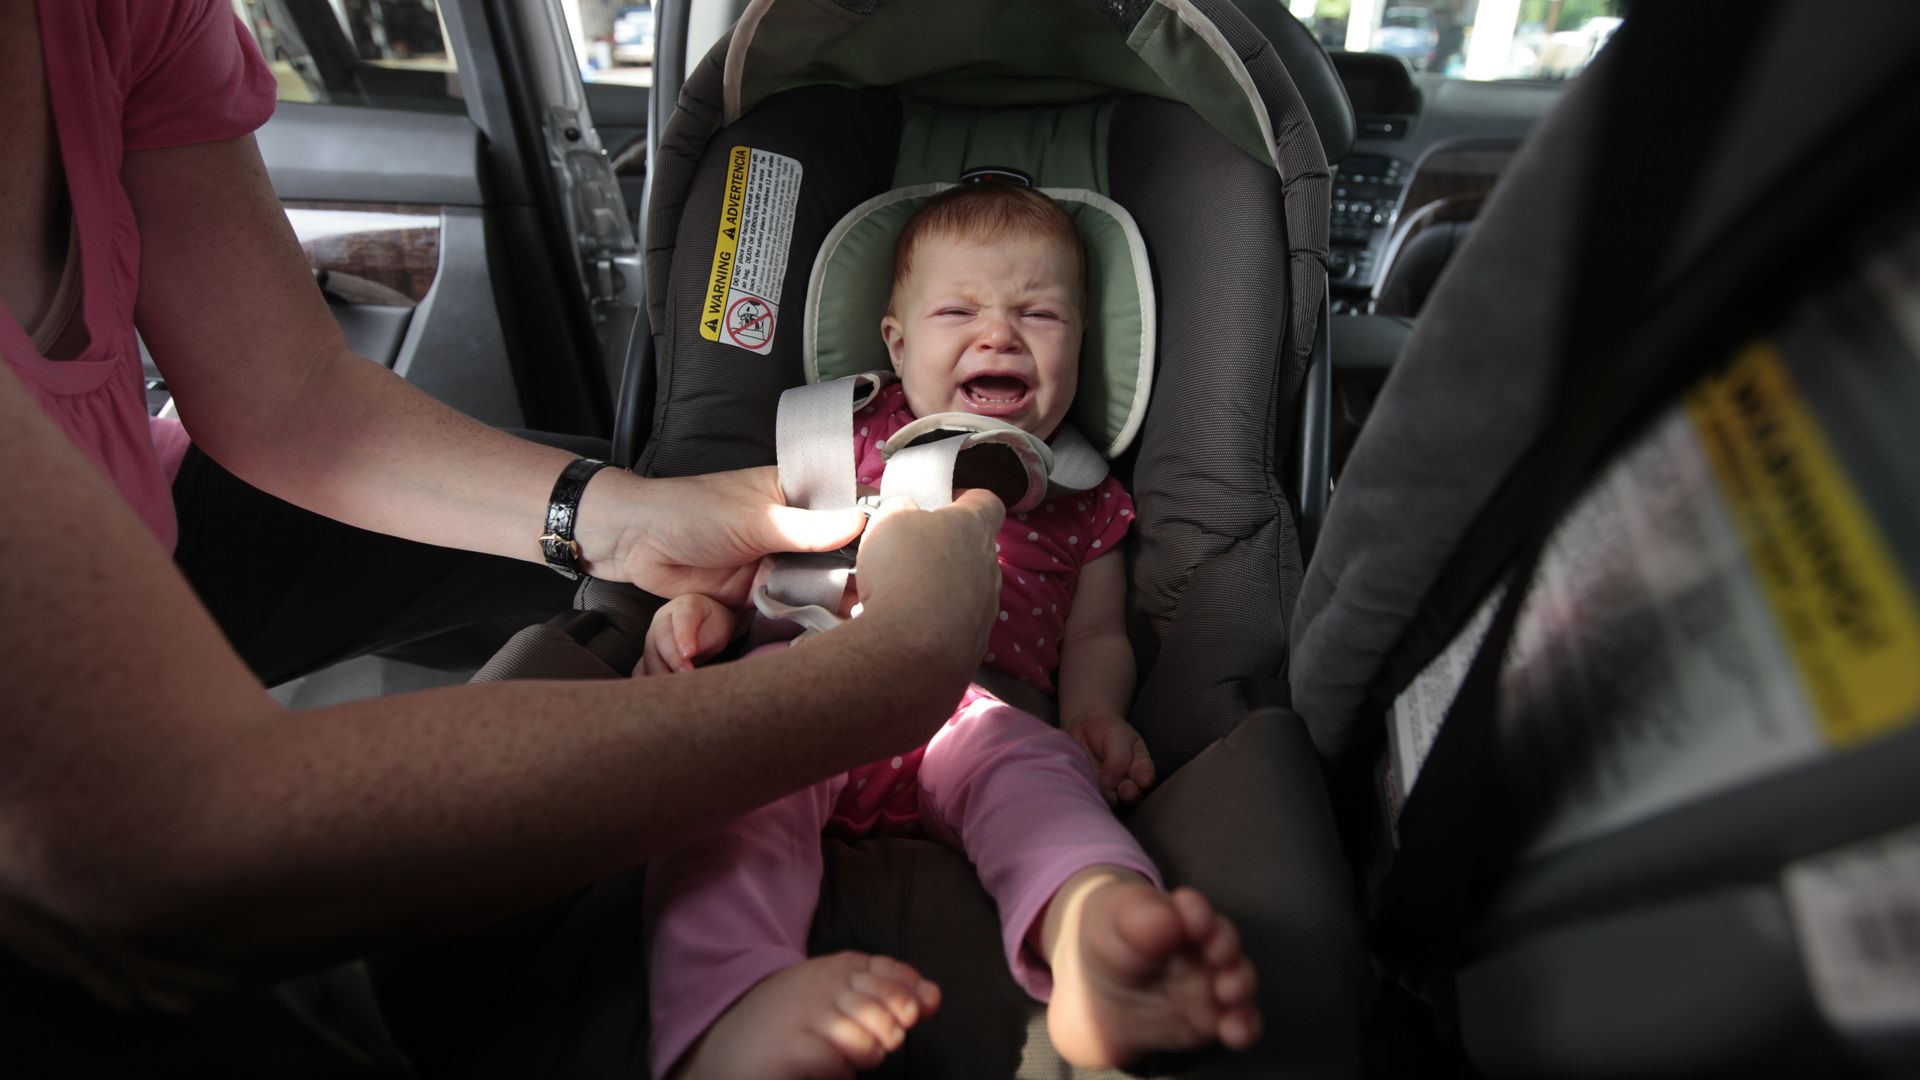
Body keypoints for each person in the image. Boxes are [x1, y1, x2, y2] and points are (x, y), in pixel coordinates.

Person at [0, 0, 1006, 1069]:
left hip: (133, 501)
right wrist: (899, 668)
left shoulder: (122, 15)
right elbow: (164, 839)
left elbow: (288, 398)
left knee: (623, 532)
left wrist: (616, 520)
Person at [638, 184, 1262, 1079]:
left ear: (1083, 343)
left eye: (1040, 313)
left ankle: (1094, 931)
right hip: (810, 682)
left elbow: (1096, 637)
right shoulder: (841, 440)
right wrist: (704, 613)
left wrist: (1092, 713)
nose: (1000, 334)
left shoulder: (1085, 499)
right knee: (727, 795)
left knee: (1043, 782)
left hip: (974, 720)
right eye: (958, 310)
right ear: (895, 342)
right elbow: (753, 551)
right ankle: (730, 1007)